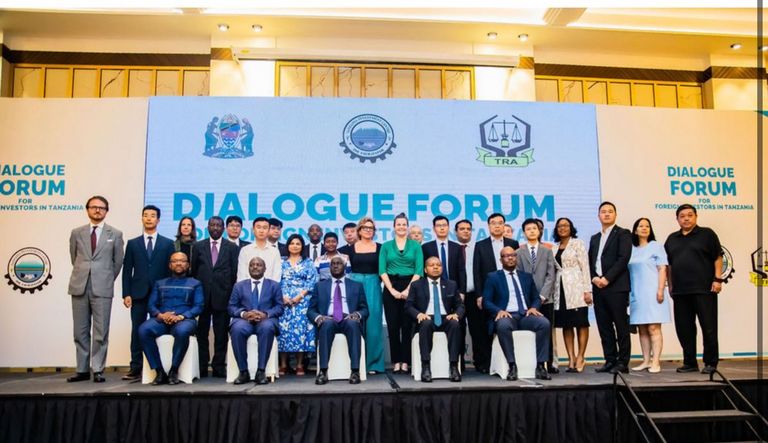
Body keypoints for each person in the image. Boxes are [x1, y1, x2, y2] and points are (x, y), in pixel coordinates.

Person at [67, 195, 124, 383]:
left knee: (101, 331)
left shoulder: (115, 234)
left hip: (103, 287)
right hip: (80, 285)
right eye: (94, 207)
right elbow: (74, 257)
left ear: (106, 211)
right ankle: (82, 369)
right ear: (87, 209)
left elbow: (117, 262)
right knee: (80, 330)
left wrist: (105, 278)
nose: (97, 210)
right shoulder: (77, 232)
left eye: (101, 208)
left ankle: (98, 368)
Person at [664, 204, 722, 374]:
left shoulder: (707, 234)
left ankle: (710, 363)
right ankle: (690, 362)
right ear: (677, 219)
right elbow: (669, 265)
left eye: (690, 215)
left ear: (696, 216)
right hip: (680, 291)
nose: (686, 219)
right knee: (684, 329)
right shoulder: (672, 239)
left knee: (708, 327)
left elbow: (718, 257)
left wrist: (717, 279)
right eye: (682, 216)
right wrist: (670, 285)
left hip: (704, 289)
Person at [121, 204, 174, 381]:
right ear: (142, 218)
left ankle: (158, 366)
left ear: (158, 220)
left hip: (160, 296)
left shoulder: (167, 243)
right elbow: (127, 270)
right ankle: (136, 367)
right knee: (137, 330)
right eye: (146, 215)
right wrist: (126, 293)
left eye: (152, 215)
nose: (149, 218)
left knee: (159, 329)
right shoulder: (133, 243)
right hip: (138, 294)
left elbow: (170, 272)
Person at [483, 247, 551, 381]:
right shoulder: (493, 277)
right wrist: (499, 311)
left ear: (516, 258)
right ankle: (512, 365)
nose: (510, 258)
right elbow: (486, 301)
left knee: (544, 323)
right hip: (507, 315)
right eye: (506, 256)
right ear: (501, 260)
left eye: (513, 255)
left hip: (526, 315)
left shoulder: (526, 276)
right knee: (503, 326)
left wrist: (534, 307)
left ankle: (540, 365)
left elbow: (536, 298)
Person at [138, 252, 203, 385]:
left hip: (184, 320)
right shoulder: (159, 283)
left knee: (182, 331)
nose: (178, 263)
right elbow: (151, 305)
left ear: (188, 265)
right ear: (170, 265)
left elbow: (199, 306)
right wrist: (160, 315)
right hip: (162, 320)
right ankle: (159, 371)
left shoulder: (195, 283)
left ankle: (174, 370)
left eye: (182, 261)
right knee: (143, 330)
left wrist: (181, 316)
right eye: (175, 261)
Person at [190, 216, 239, 377]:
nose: (216, 228)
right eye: (213, 225)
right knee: (202, 333)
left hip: (223, 296)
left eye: (219, 225)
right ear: (208, 227)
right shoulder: (198, 246)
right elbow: (194, 271)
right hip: (202, 296)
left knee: (221, 334)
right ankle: (202, 366)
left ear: (223, 228)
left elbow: (234, 272)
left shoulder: (232, 247)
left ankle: (218, 366)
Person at [308, 256, 369, 385]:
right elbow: (311, 310)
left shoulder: (356, 285)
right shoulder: (320, 286)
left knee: (353, 324)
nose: (335, 266)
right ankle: (323, 371)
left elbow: (365, 309)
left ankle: (355, 371)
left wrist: (357, 314)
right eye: (333, 264)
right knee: (326, 324)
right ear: (329, 268)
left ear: (345, 267)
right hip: (329, 318)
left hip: (348, 318)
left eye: (339, 263)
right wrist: (319, 317)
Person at [588, 202, 633, 374]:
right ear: (598, 215)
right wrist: (594, 278)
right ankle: (610, 360)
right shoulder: (595, 238)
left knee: (621, 326)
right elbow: (590, 261)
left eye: (610, 211)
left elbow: (623, 258)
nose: (606, 214)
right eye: (603, 212)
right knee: (604, 326)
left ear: (615, 214)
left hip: (616, 287)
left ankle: (622, 362)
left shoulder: (623, 233)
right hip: (598, 287)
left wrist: (607, 278)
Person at [472, 212, 519, 373]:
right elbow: (477, 272)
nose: (497, 226)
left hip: (510, 291)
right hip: (489, 292)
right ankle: (485, 363)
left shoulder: (513, 243)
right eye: (493, 223)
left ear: (504, 225)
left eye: (500, 223)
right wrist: (479, 295)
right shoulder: (481, 245)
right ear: (488, 226)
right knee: (485, 327)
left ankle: (510, 361)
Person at [406, 257, 464, 382]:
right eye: (432, 265)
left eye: (438, 265)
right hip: (426, 317)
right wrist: (419, 314)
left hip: (445, 317)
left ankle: (454, 366)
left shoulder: (451, 284)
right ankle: (426, 366)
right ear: (425, 269)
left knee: (455, 324)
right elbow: (409, 306)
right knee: (426, 324)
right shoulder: (416, 285)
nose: (436, 267)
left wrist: (456, 315)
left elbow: (460, 305)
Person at [229, 257, 284, 385]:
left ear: (265, 269)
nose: (255, 267)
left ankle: (261, 371)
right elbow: (231, 307)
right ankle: (243, 372)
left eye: (259, 265)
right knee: (236, 329)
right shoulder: (239, 286)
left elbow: (279, 307)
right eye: (252, 265)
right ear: (248, 268)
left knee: (267, 328)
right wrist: (244, 314)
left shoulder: (274, 285)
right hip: (245, 321)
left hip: (265, 320)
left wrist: (266, 314)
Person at [380, 213, 423, 374]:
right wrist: (392, 290)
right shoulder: (386, 246)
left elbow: (419, 270)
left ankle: (405, 361)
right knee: (393, 326)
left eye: (404, 224)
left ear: (407, 226)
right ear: (394, 227)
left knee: (407, 325)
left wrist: (407, 290)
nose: (401, 227)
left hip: (411, 286)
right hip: (390, 285)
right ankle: (396, 361)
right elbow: (382, 270)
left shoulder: (415, 246)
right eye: (398, 224)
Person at [551, 217, 592, 373]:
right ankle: (571, 358)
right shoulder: (554, 247)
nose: (562, 228)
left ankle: (581, 356)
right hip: (560, 289)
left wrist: (587, 290)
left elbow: (585, 267)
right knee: (566, 324)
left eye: (566, 225)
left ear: (571, 227)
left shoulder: (578, 243)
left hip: (577, 287)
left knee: (581, 323)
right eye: (559, 226)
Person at [629, 217, 670, 374]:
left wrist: (660, 289)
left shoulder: (656, 246)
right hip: (637, 293)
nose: (644, 228)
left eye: (647, 226)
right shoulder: (632, 249)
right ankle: (646, 360)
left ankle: (656, 361)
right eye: (641, 226)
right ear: (635, 230)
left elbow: (662, 269)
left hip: (653, 291)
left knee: (653, 327)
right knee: (642, 328)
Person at [516, 218, 557, 373]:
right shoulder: (519, 252)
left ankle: (549, 363)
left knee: (547, 330)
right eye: (528, 229)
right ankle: (532, 362)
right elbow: (518, 275)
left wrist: (542, 296)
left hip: (546, 299)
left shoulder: (547, 251)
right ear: (524, 233)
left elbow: (551, 275)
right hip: (526, 300)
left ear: (539, 231)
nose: (532, 231)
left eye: (534, 228)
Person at [347, 216, 385, 374]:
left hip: (373, 284)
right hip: (354, 284)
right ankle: (355, 362)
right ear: (359, 230)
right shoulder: (349, 249)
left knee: (373, 324)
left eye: (371, 228)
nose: (368, 230)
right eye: (365, 228)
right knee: (354, 321)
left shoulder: (381, 248)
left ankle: (374, 364)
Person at [278, 234, 319, 375]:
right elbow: (275, 280)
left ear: (302, 247)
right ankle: (283, 364)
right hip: (283, 301)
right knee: (283, 331)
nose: (295, 246)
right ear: (287, 246)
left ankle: (300, 364)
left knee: (301, 332)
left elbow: (312, 281)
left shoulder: (308, 262)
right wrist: (282, 296)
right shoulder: (281, 261)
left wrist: (299, 296)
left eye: (298, 244)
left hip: (302, 302)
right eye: (292, 243)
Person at [422, 215, 466, 292]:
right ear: (434, 229)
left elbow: (461, 271)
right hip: (432, 288)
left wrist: (462, 291)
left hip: (454, 288)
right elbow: (423, 271)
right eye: (439, 226)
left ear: (448, 227)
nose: (442, 228)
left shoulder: (457, 247)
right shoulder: (426, 247)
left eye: (444, 225)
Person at [454, 219, 475, 371]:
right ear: (456, 232)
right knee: (458, 329)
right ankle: (458, 362)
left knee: (477, 329)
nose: (466, 231)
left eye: (468, 229)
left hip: (474, 294)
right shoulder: (453, 248)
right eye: (462, 229)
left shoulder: (478, 248)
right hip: (456, 296)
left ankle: (481, 362)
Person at [238, 217, 282, 282]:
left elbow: (276, 276)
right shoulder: (245, 250)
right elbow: (241, 276)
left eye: (264, 228)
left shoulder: (275, 251)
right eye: (258, 227)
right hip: (247, 287)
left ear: (268, 230)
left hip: (269, 287)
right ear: (253, 230)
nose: (261, 231)